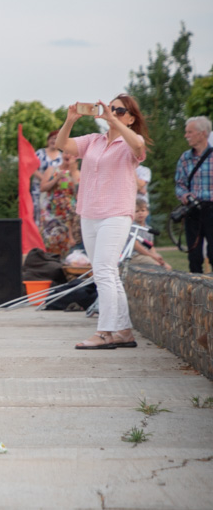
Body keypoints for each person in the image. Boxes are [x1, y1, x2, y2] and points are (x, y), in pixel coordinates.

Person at [57, 96, 148, 349]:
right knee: (106, 274)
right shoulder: (93, 141)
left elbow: (139, 147)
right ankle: (124, 331)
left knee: (105, 271)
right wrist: (70, 120)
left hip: (116, 213)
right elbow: (63, 144)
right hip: (90, 212)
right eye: (112, 108)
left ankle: (105, 332)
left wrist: (115, 123)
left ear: (131, 118)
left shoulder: (130, 141)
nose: (114, 113)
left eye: (120, 110)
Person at [175, 116, 213, 273]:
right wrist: (186, 196)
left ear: (202, 133)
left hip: (211, 209)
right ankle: (196, 291)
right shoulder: (185, 158)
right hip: (193, 211)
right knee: (194, 256)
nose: (186, 136)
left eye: (189, 132)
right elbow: (179, 184)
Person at [40, 153, 81, 256]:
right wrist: (56, 178)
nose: (68, 156)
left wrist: (72, 173)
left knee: (68, 244)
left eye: (71, 154)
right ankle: (50, 264)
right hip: (52, 213)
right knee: (50, 242)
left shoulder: (78, 173)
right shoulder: (52, 170)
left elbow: (79, 193)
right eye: (66, 153)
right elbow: (43, 188)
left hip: (69, 216)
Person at [31, 131, 64, 228]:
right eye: (52, 138)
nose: (54, 141)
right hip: (38, 190)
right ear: (48, 140)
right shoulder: (39, 153)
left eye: (56, 138)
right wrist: (45, 180)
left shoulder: (62, 156)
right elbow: (32, 168)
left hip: (55, 192)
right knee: (37, 213)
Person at [127, 200, 168, 268]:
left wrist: (155, 255)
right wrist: (152, 256)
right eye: (136, 211)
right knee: (157, 266)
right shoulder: (132, 227)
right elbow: (136, 246)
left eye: (142, 210)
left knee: (167, 267)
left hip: (146, 255)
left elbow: (150, 246)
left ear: (147, 212)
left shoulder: (149, 229)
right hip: (134, 255)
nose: (140, 213)